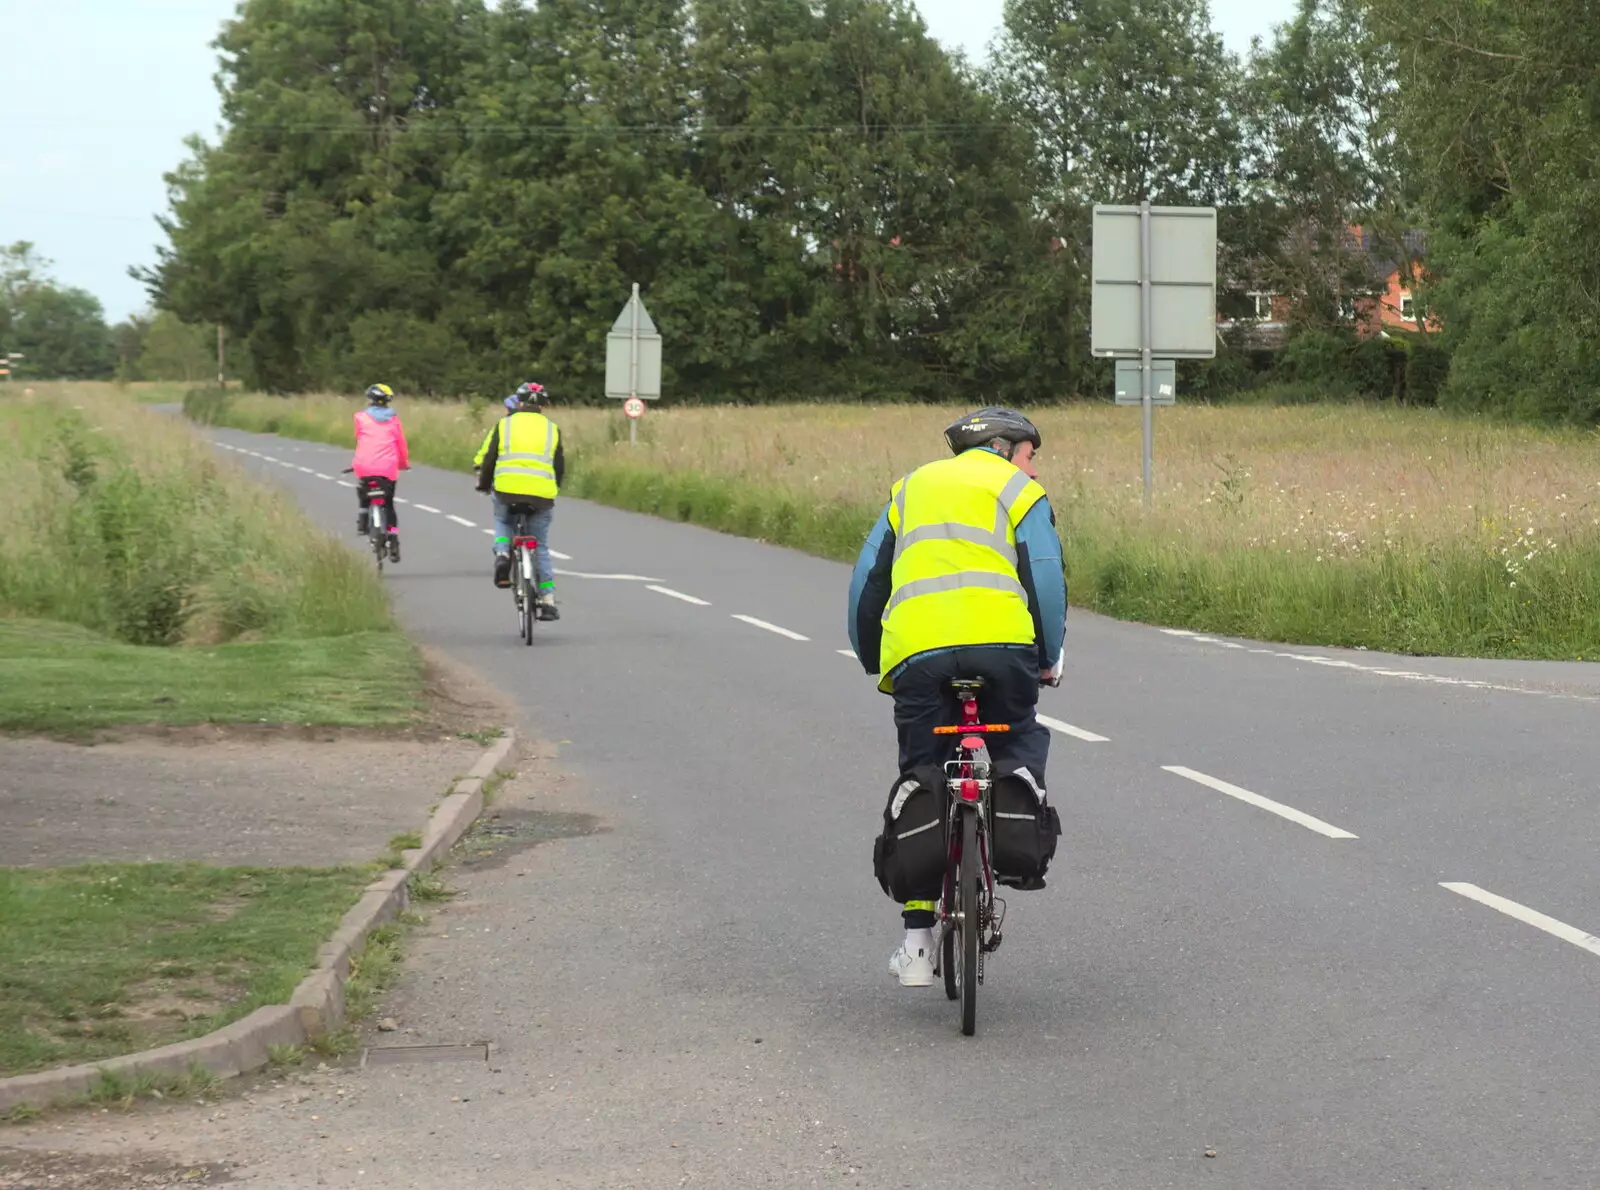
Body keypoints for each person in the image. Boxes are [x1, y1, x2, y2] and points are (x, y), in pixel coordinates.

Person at [846, 406, 1067, 988]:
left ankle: (917, 944)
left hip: (918, 652)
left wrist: (875, 655)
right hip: (1003, 647)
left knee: (920, 770)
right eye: (1030, 456)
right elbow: (1044, 573)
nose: (1034, 470)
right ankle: (1019, 798)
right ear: (1002, 448)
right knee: (1018, 734)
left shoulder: (909, 487)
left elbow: (868, 578)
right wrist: (1047, 655)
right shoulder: (1017, 490)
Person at [473, 381, 565, 619]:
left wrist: (484, 485)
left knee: (503, 521)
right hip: (542, 495)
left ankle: (503, 554)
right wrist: (554, 488)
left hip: (507, 490)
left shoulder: (504, 425)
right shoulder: (552, 429)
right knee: (541, 545)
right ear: (543, 406)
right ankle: (547, 600)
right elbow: (559, 466)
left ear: (520, 402)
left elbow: (490, 459)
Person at [351, 383, 410, 563]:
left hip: (364, 465)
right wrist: (403, 463)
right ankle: (393, 538)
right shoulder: (394, 420)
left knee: (363, 489)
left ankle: (362, 518)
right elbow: (400, 445)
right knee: (389, 504)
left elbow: (360, 439)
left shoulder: (360, 417)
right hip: (387, 468)